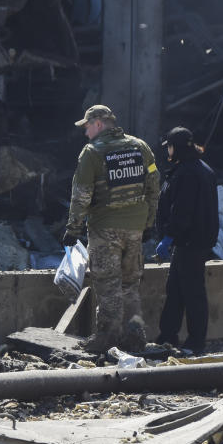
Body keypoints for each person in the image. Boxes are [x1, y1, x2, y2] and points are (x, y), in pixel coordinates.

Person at [64, 105, 160, 353]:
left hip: (105, 228)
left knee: (107, 284)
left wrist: (73, 228)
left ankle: (107, 337)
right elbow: (154, 185)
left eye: (87, 127)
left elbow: (81, 195)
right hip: (136, 227)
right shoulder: (141, 147)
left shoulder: (92, 152)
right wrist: (148, 222)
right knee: (129, 283)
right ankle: (135, 337)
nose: (86, 133)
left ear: (98, 123)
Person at [154, 127, 219, 354]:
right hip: (190, 242)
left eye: (170, 146)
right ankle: (168, 336)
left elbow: (183, 210)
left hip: (190, 242)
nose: (168, 151)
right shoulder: (200, 169)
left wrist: (169, 235)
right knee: (177, 290)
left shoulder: (188, 173)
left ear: (177, 147)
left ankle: (195, 342)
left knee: (191, 293)